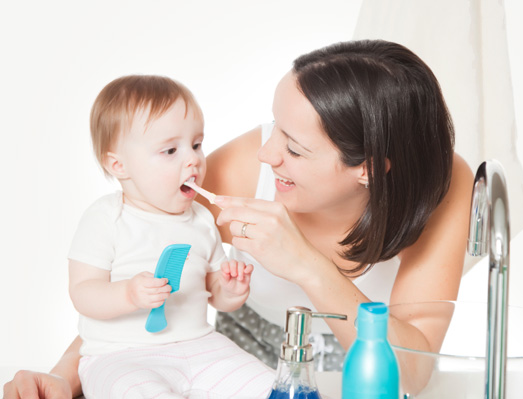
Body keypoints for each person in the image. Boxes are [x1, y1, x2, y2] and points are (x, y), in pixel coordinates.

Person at [4, 40, 473, 398]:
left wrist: (307, 266)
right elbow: (141, 277)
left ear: (367, 168)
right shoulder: (241, 170)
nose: (266, 154)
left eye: (292, 146)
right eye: (273, 126)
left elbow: (412, 370)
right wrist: (64, 377)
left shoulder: (445, 186)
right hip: (225, 368)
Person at [11, 75, 275, 399]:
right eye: (170, 150)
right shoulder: (107, 218)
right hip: (120, 356)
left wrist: (231, 289)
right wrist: (129, 295)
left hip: (201, 345)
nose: (192, 159)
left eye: (196, 144)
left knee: (272, 387)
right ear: (119, 165)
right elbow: (83, 293)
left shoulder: (203, 219)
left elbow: (214, 293)